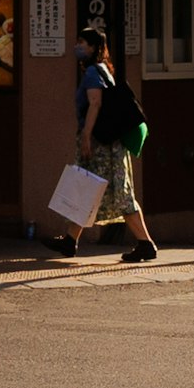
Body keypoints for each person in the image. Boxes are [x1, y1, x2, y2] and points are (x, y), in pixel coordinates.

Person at [66, 24, 153, 262]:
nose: (77, 47)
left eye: (82, 43)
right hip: (108, 142)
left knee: (118, 192)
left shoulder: (94, 72)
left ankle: (146, 243)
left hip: (102, 144)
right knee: (86, 186)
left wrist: (86, 135)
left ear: (93, 47)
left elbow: (95, 103)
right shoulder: (104, 69)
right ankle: (70, 239)